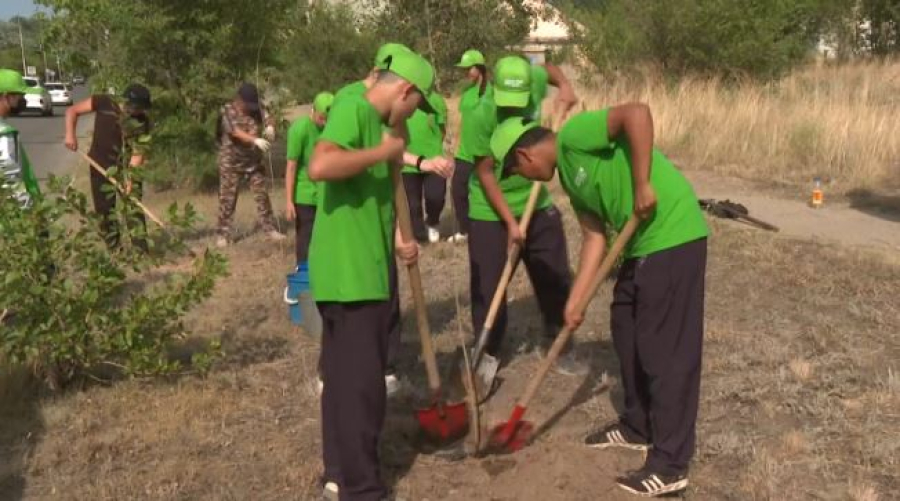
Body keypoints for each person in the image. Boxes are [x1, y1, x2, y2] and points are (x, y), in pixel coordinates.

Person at [490, 104, 709, 498]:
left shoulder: (574, 136)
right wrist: (575, 301)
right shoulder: (574, 186)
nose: (522, 179)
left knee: (665, 352)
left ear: (524, 156)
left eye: (516, 172)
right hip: (642, 243)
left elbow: (638, 114)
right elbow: (595, 239)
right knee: (624, 326)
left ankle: (671, 464)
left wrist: (642, 183)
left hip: (674, 235)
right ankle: (637, 425)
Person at [308, 48, 434, 501]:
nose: (415, 114)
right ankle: (363, 489)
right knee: (362, 389)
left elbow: (378, 189)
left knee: (342, 381)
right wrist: (381, 151)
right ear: (404, 90)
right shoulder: (355, 108)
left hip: (346, 270)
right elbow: (320, 165)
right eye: (417, 103)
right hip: (356, 273)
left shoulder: (373, 119)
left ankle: (338, 474)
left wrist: (401, 235)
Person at [461, 55, 584, 378]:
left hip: (534, 198)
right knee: (489, 285)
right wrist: (511, 223)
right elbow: (486, 173)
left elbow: (549, 70)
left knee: (555, 273)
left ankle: (559, 340)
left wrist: (566, 88)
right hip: (489, 207)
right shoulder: (480, 113)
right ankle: (487, 350)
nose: (514, 108)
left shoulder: (534, 81)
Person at [65, 83, 153, 249]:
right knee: (104, 211)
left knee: (133, 208)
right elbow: (72, 111)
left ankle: (141, 252)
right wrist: (70, 135)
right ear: (128, 104)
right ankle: (115, 250)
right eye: (138, 108)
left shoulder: (142, 122)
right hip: (99, 166)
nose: (140, 112)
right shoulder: (104, 102)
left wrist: (130, 179)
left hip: (126, 169)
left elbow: (137, 153)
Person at [215, 82, 285, 247]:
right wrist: (255, 140)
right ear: (239, 99)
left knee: (262, 196)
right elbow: (235, 132)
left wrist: (270, 127)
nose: (251, 107)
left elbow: (270, 117)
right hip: (231, 163)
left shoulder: (257, 108)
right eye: (248, 103)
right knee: (227, 200)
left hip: (253, 162)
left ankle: (270, 229)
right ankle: (223, 235)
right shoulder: (227, 111)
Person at [285, 91, 334, 264]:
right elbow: (291, 166)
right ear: (313, 111)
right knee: (306, 234)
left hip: (326, 191)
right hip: (304, 193)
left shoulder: (332, 129)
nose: (324, 122)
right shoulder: (300, 129)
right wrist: (289, 201)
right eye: (322, 118)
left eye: (328, 118)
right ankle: (303, 271)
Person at [449, 49, 490, 243]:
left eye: (469, 68)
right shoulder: (467, 94)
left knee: (486, 190)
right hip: (465, 153)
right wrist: (456, 145)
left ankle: (489, 226)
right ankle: (464, 229)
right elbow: (463, 122)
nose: (465, 72)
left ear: (479, 68)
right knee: (458, 190)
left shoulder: (492, 93)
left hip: (484, 151)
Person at [401, 91, 448, 243]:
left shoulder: (436, 100)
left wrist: (434, 148)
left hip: (433, 159)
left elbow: (442, 130)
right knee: (412, 204)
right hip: (408, 161)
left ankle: (433, 222)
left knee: (436, 196)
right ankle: (419, 236)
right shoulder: (402, 99)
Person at [0, 69, 40, 209]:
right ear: (6, 97)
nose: (22, 100)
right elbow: (11, 179)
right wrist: (31, 214)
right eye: (19, 96)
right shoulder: (5, 134)